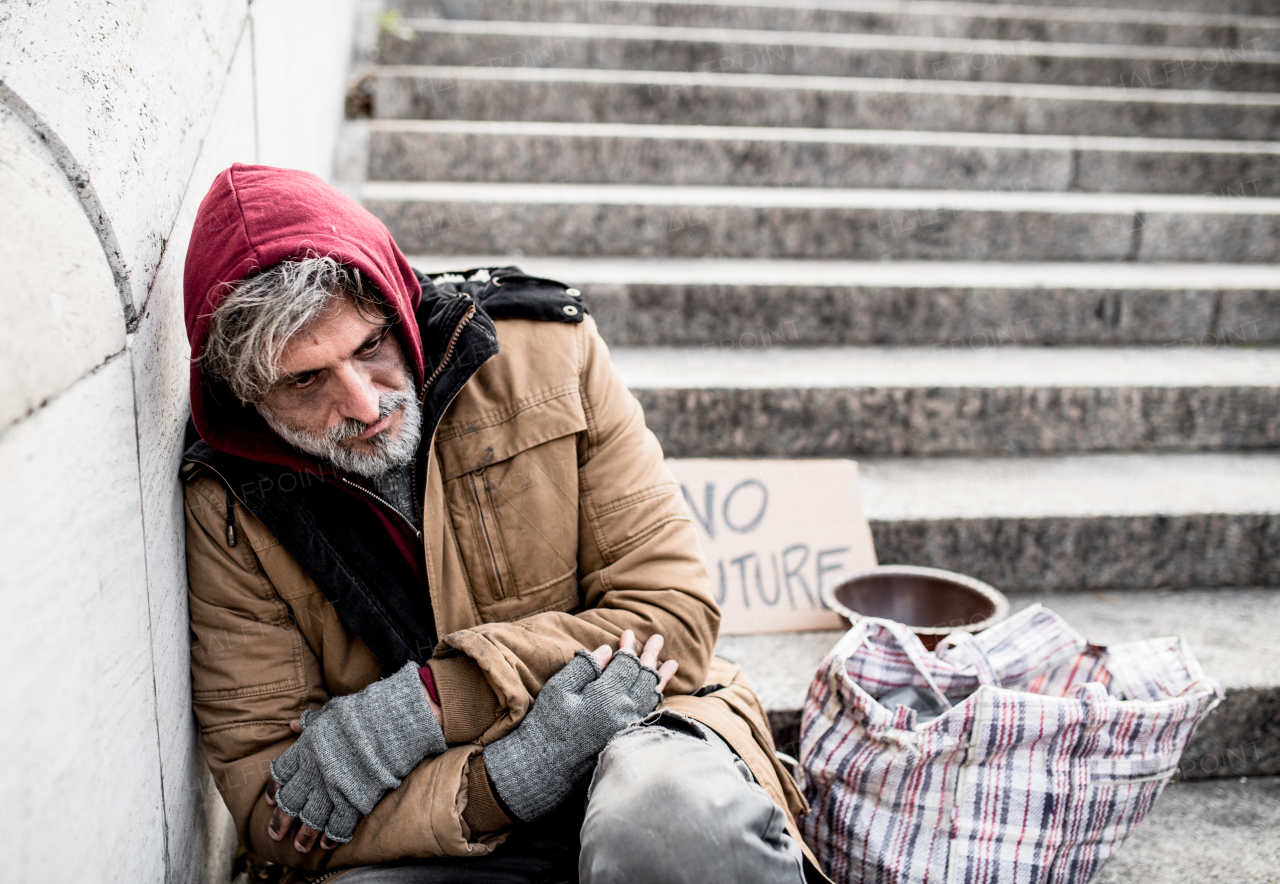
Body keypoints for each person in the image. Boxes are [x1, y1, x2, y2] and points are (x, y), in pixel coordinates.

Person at [182, 164, 824, 883]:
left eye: (370, 347)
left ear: (398, 302)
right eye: (306, 381)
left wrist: (425, 705)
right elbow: (279, 816)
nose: (363, 406)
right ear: (248, 396)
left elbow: (670, 614)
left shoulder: (546, 350)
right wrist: (502, 780)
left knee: (671, 821)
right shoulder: (229, 501)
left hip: (644, 721)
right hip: (430, 814)